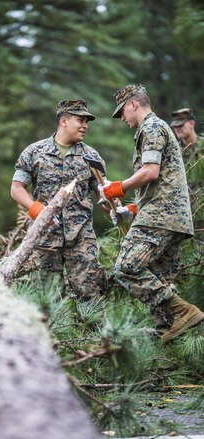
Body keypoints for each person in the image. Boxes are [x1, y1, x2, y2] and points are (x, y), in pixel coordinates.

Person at [98, 83, 204, 342]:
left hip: (161, 216)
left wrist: (117, 188)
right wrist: (132, 208)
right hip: (172, 218)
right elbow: (164, 180)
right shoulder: (155, 128)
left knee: (126, 268)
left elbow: (150, 172)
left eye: (122, 111)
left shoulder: (152, 127)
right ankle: (171, 343)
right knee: (160, 281)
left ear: (133, 104)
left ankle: (185, 311)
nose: (121, 117)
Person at [10, 99, 108, 302]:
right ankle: (51, 334)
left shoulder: (91, 156)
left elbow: (101, 190)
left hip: (81, 236)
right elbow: (17, 188)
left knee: (89, 293)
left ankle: (94, 333)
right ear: (64, 121)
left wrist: (110, 205)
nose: (85, 126)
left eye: (86, 121)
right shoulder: (34, 152)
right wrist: (36, 209)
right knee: (48, 296)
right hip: (46, 235)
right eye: (80, 120)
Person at [170, 108, 203, 233]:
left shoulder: (202, 147)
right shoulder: (173, 152)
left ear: (192, 123)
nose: (177, 129)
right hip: (183, 213)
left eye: (180, 125)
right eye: (175, 126)